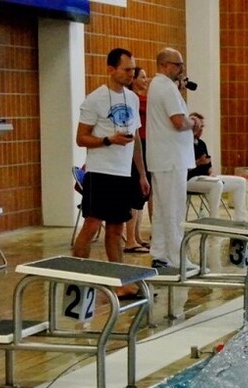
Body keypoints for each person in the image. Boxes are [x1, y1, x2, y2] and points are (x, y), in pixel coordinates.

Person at [73, 47, 149, 296]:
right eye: (127, 69)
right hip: (100, 172)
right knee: (92, 225)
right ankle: (78, 278)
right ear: (111, 70)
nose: (131, 74)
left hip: (122, 173)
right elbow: (81, 138)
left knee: (117, 230)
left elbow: (136, 139)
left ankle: (119, 282)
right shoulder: (95, 99)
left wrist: (141, 174)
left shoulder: (133, 98)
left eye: (132, 69)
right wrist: (108, 140)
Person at [146, 47, 195, 269]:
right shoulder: (165, 88)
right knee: (174, 210)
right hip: (171, 159)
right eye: (178, 65)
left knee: (163, 209)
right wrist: (194, 123)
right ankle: (177, 258)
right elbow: (179, 122)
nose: (181, 69)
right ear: (165, 65)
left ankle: (160, 253)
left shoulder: (162, 86)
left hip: (164, 158)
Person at [186, 112, 248, 222]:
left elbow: (209, 165)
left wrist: (211, 172)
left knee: (240, 182)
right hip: (190, 179)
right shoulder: (184, 144)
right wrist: (198, 162)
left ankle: (241, 220)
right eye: (199, 127)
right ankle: (214, 219)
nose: (201, 130)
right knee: (217, 184)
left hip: (205, 177)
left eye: (202, 127)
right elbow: (183, 168)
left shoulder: (201, 144)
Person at [124, 65, 150, 254]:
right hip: (135, 146)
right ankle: (130, 239)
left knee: (141, 194)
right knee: (134, 192)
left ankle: (137, 236)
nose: (145, 80)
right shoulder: (134, 100)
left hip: (144, 145)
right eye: (142, 77)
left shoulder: (139, 99)